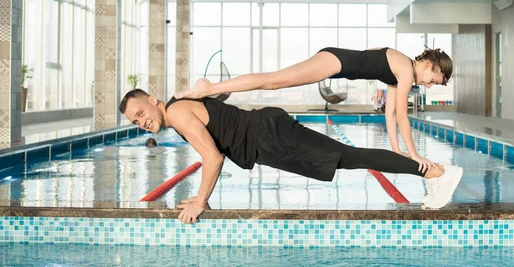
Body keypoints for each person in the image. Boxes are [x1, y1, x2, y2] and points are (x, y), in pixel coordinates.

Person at [119, 89, 463, 224]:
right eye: (135, 122)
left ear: (152, 98)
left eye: (139, 112)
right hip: (269, 135)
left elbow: (213, 157)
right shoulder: (180, 108)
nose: (141, 121)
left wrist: (199, 201)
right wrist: (200, 198)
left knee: (349, 156)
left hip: (270, 137)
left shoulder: (177, 113)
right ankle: (433, 172)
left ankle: (435, 174)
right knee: (347, 157)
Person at [174, 47, 452, 172]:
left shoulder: (400, 69)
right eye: (433, 80)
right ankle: (208, 88)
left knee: (274, 81)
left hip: (336, 61)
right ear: (428, 65)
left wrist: (398, 150)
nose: (427, 86)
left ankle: (211, 88)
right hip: (335, 62)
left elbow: (391, 115)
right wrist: (414, 154)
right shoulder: (404, 68)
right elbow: (404, 115)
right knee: (273, 81)